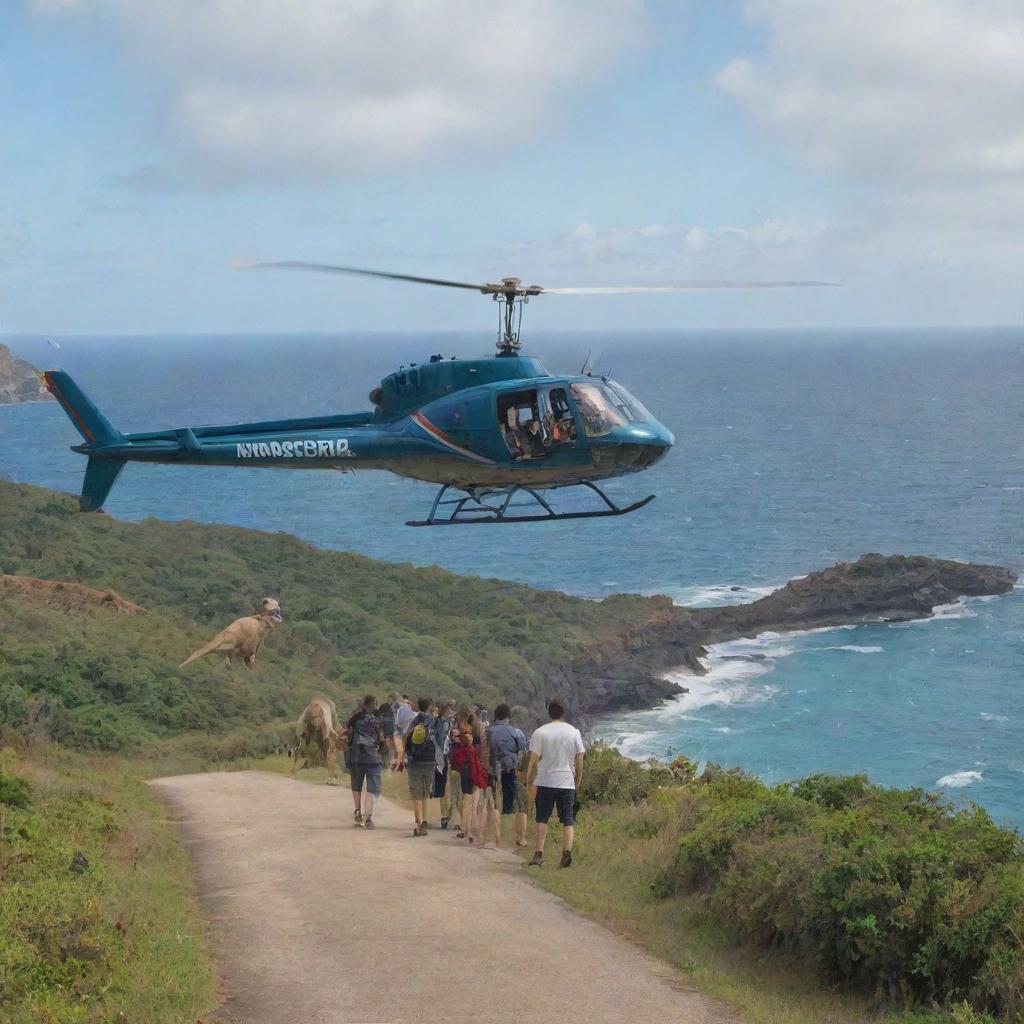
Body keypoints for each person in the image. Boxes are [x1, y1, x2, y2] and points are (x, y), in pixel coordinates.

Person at [526, 698, 585, 868]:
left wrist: (529, 780)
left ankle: (538, 854)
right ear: (563, 712)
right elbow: (580, 758)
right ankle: (566, 854)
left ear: (549, 713)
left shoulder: (540, 732)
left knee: (542, 818)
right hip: (566, 782)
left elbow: (533, 759)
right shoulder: (574, 732)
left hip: (545, 781)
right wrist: (577, 781)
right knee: (568, 820)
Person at [488, 703, 529, 847]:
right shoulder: (516, 732)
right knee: (517, 804)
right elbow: (524, 751)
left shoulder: (489, 731)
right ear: (508, 716)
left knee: (494, 804)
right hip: (511, 771)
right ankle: (519, 838)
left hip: (492, 771)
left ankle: (496, 836)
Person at [398, 696, 438, 836]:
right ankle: (425, 820)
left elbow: (405, 737)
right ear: (429, 707)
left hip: (414, 761)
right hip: (430, 761)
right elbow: (440, 740)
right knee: (425, 793)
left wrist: (401, 757)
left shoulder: (413, 721)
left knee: (416, 794)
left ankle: (418, 822)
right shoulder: (434, 721)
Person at [449, 709, 488, 843]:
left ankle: (464, 829)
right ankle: (473, 832)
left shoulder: (457, 732)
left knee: (466, 801)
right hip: (475, 768)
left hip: (464, 768)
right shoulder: (478, 732)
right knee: (475, 802)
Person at [347, 695, 385, 830]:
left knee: (356, 784)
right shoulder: (377, 720)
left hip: (356, 755)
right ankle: (368, 818)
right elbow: (381, 739)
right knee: (372, 786)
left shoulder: (355, 718)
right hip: (372, 757)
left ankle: (357, 811)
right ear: (373, 704)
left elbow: (348, 729)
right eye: (376, 704)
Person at [434, 699, 456, 827]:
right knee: (446, 788)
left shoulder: (443, 723)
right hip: (444, 758)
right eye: (449, 709)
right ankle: (446, 816)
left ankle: (446, 816)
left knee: (446, 788)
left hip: (443, 758)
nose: (451, 711)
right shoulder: (443, 723)